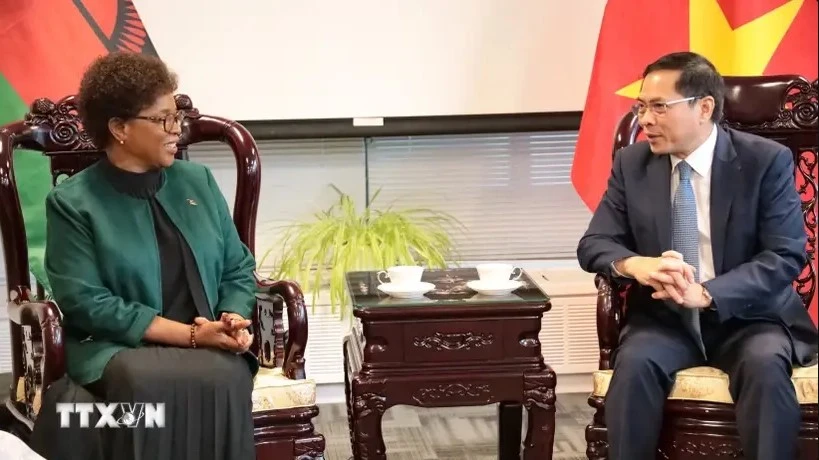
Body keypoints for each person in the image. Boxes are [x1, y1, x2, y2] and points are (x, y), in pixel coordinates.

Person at [577, 51, 818, 460]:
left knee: (765, 368)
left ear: (704, 107)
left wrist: (707, 294)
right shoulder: (632, 163)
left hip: (749, 316)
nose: (646, 120)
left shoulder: (764, 161)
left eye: (659, 107)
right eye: (641, 107)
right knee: (633, 369)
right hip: (663, 320)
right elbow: (594, 243)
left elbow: (784, 255)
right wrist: (638, 265)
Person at [29, 52, 259, 460]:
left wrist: (231, 318)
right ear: (119, 127)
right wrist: (190, 336)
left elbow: (237, 267)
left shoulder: (198, 181)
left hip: (208, 342)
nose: (177, 130)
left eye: (178, 118)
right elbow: (87, 304)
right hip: (120, 350)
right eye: (163, 119)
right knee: (142, 381)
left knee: (226, 373)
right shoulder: (73, 203)